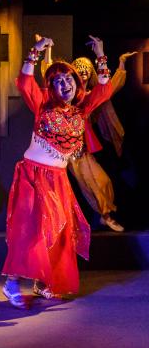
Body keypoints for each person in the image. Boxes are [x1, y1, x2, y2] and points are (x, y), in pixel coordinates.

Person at [2, 35, 113, 309]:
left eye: (69, 79)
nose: (65, 84)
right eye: (58, 81)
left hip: (58, 180)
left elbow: (104, 90)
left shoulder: (81, 110)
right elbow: (25, 82)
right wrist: (35, 52)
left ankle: (43, 283)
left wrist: (100, 54)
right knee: (32, 229)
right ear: (51, 87)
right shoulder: (42, 104)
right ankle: (12, 283)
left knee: (60, 231)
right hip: (32, 176)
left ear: (77, 84)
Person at [43, 44, 136, 232]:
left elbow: (108, 88)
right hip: (55, 152)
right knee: (52, 190)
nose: (83, 72)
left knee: (101, 181)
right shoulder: (59, 95)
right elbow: (48, 75)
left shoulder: (89, 99)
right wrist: (46, 51)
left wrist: (119, 63)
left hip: (79, 151)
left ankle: (104, 216)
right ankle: (53, 227)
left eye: (87, 69)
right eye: (79, 68)